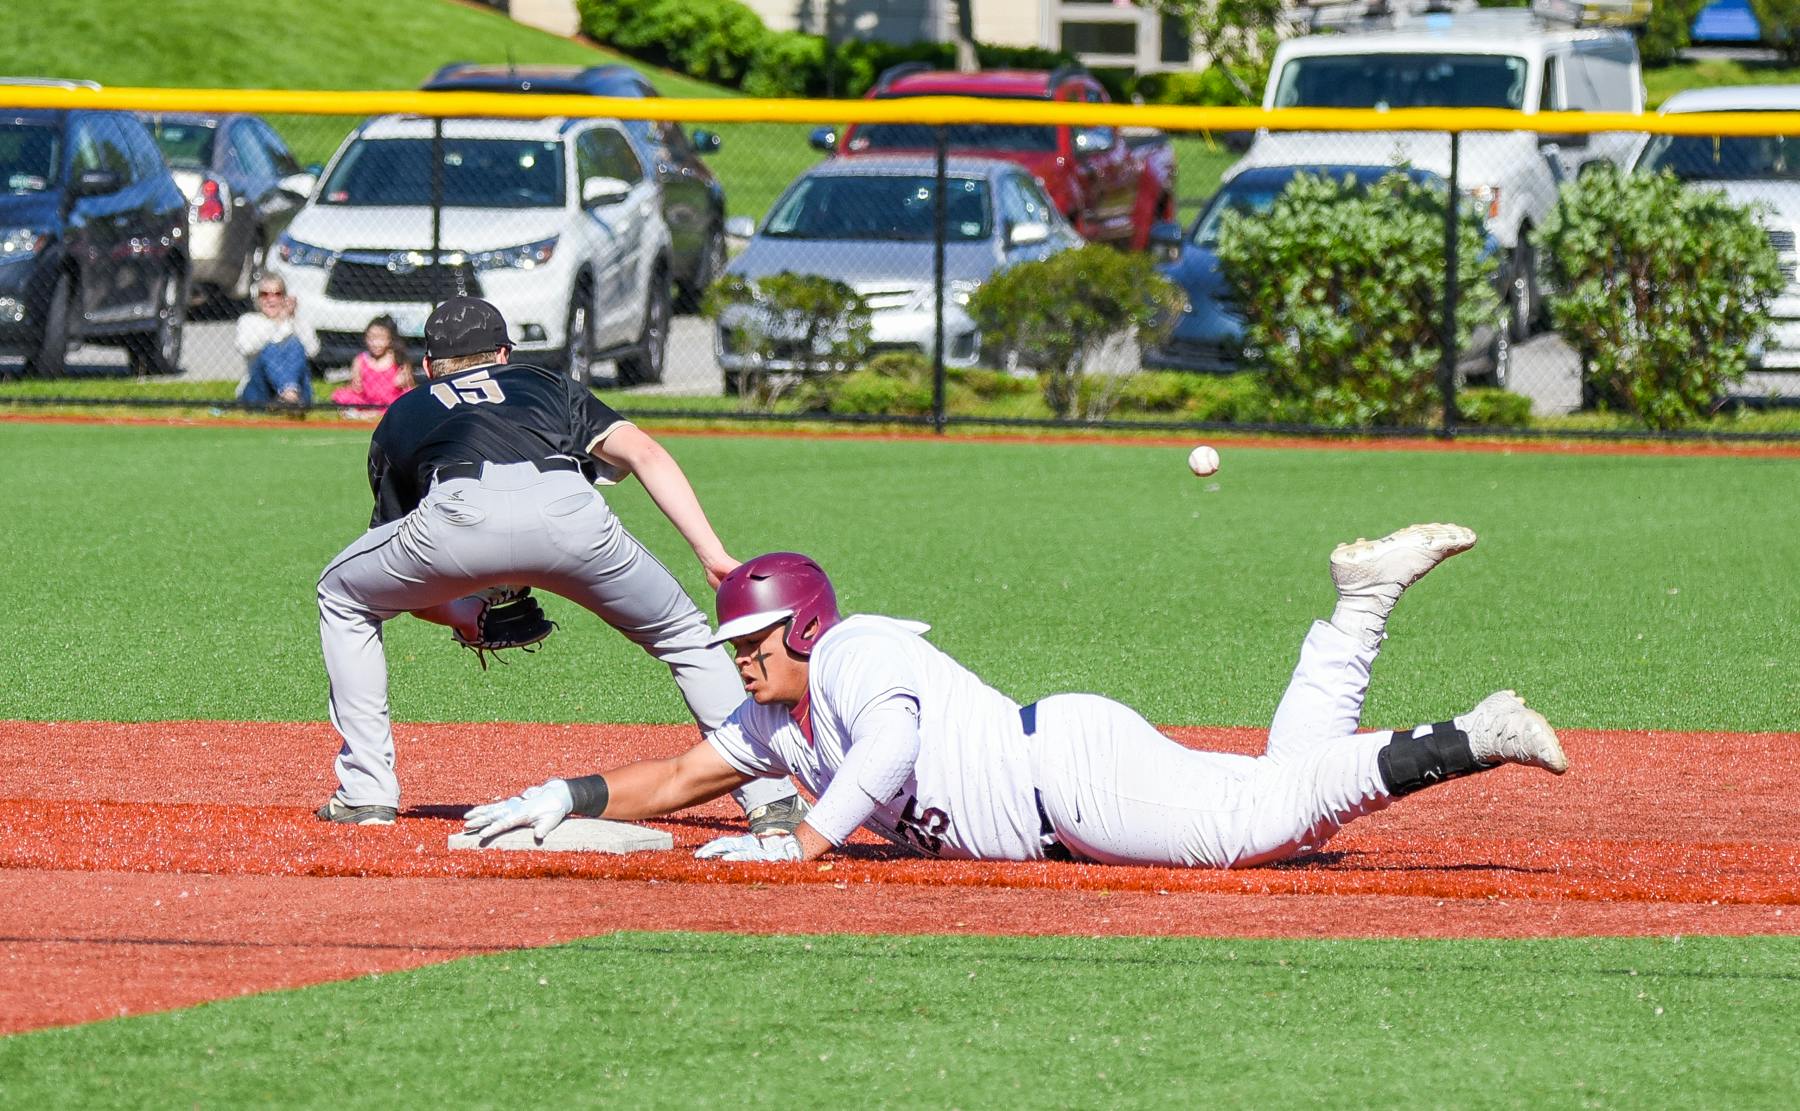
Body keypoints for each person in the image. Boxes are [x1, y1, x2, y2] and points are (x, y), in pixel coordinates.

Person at [462, 525, 1570, 867]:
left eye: (752, 641)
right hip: (1065, 778)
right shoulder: (777, 715)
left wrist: (804, 841)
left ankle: (1473, 735)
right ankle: (1361, 604)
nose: (741, 659)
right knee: (1284, 797)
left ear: (800, 627)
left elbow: (890, 749)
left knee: (1256, 828)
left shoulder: (849, 655)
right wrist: (565, 794)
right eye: (734, 646)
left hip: (1068, 782)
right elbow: (678, 776)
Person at [315, 295, 806, 836]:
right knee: (684, 634)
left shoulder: (406, 409)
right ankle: (772, 799)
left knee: (344, 597)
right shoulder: (545, 383)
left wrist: (463, 613)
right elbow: (645, 454)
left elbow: (405, 570)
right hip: (571, 510)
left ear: (429, 367)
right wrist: (711, 554)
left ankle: (366, 793)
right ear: (504, 355)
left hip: (459, 511)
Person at [236, 275, 317, 407]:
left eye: (277, 294)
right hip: (260, 390)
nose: (270, 299)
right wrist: (277, 323)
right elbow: (246, 348)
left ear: (284, 297)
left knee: (294, 343)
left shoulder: (296, 322)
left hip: (299, 390)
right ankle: (289, 396)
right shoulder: (249, 320)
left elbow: (312, 350)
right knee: (270, 349)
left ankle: (289, 395)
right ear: (258, 298)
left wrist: (291, 320)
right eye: (264, 294)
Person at [329, 315, 415, 416]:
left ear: (390, 339)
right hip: (366, 400)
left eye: (381, 339)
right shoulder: (361, 359)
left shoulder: (398, 359)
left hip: (390, 400)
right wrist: (356, 384)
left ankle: (376, 413)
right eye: (371, 338)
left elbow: (409, 385)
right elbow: (354, 386)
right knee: (343, 395)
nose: (375, 343)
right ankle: (363, 412)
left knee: (407, 398)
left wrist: (403, 381)